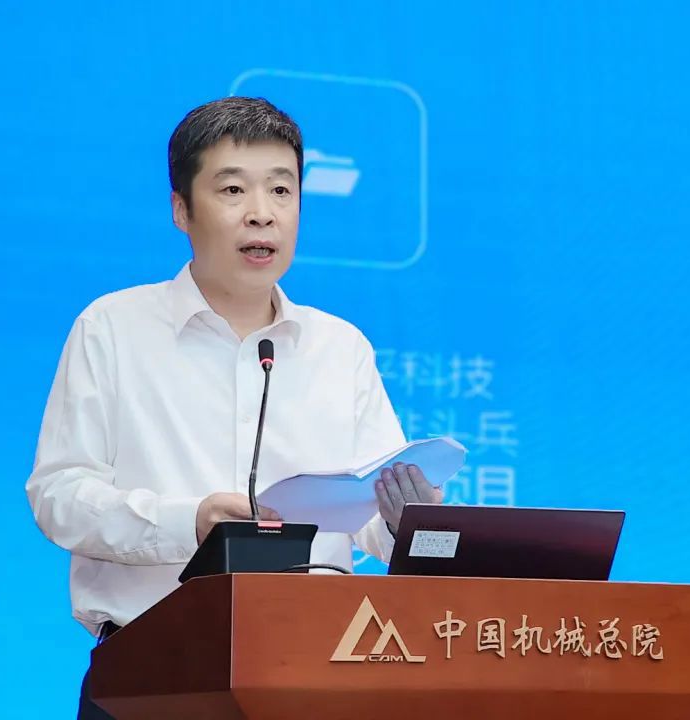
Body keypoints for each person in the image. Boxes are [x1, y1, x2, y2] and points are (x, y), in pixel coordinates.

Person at [25, 96, 443, 719]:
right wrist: (188, 522)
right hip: (154, 677)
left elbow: (367, 522)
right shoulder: (113, 328)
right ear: (181, 209)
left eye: (281, 190)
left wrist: (409, 523)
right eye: (232, 190)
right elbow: (59, 496)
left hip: (316, 674)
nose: (261, 213)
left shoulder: (340, 347)